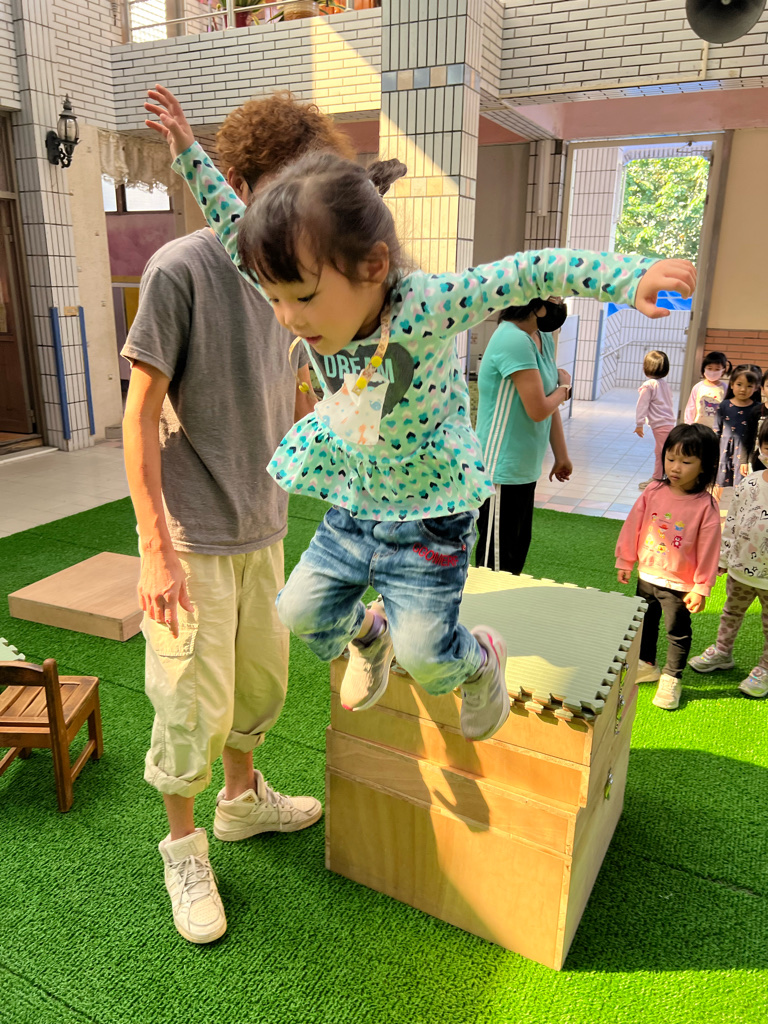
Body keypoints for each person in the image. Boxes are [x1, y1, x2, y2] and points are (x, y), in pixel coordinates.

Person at [149, 84, 696, 749]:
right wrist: (188, 153)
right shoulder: (302, 300)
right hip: (357, 504)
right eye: (275, 297)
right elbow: (236, 233)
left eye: (303, 298)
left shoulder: (429, 304)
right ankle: (370, 637)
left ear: (373, 267)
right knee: (299, 612)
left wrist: (627, 277)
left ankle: (481, 661)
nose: (286, 318)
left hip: (430, 510)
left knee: (431, 660)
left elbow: (529, 271)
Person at [122, 90, 358, 945]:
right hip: (191, 534)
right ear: (238, 183)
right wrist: (153, 548)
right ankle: (184, 850)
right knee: (191, 700)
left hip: (264, 522)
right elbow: (139, 414)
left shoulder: (284, 276)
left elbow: (287, 384)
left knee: (260, 684)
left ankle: (241, 802)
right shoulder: (179, 269)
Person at [615, 424, 720, 711]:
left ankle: (672, 677)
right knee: (644, 622)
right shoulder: (653, 490)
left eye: (686, 462)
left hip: (679, 583)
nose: (675, 467)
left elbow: (709, 549)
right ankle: (646, 663)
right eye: (671, 458)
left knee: (677, 631)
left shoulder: (705, 505)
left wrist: (701, 587)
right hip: (647, 575)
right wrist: (625, 560)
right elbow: (633, 525)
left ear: (705, 466)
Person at [473, 298, 573, 576]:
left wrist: (561, 455)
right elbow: (539, 408)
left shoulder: (541, 336)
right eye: (554, 297)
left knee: (515, 556)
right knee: (495, 567)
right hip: (501, 471)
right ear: (534, 300)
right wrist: (565, 389)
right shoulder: (512, 339)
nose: (560, 303)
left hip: (525, 468)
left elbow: (547, 399)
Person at [689, 418, 768, 699]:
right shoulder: (751, 482)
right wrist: (723, 558)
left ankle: (765, 668)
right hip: (741, 569)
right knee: (731, 613)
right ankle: (722, 651)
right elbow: (733, 520)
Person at [714, 364, 760, 499]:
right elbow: (716, 431)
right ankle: (713, 509)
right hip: (723, 452)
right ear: (732, 384)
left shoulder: (757, 408)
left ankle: (738, 511)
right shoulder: (724, 405)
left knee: (742, 488)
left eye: (749, 386)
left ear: (757, 388)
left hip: (744, 455)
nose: (743, 389)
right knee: (717, 484)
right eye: (739, 384)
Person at [634, 350, 676, 491]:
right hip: (668, 423)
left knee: (661, 452)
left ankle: (658, 478)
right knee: (663, 450)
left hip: (660, 424)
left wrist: (639, 424)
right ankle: (662, 477)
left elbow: (642, 405)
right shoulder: (664, 384)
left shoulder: (648, 385)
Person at [684, 350, 730, 430]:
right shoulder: (698, 387)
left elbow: (728, 409)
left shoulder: (725, 388)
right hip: (698, 428)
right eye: (709, 368)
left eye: (717, 369)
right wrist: (689, 425)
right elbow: (690, 408)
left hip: (716, 429)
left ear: (723, 371)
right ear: (704, 369)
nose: (713, 372)